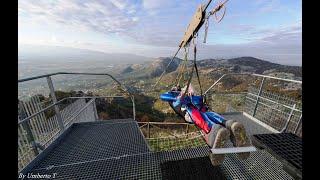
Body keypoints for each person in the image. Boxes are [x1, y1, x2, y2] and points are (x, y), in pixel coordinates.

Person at [160, 84, 251, 165]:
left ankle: (227, 126)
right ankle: (223, 127)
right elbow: (165, 96)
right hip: (192, 113)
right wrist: (182, 93)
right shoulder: (176, 102)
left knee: (210, 115)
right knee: (202, 117)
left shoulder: (189, 96)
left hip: (202, 110)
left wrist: (189, 90)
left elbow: (190, 85)